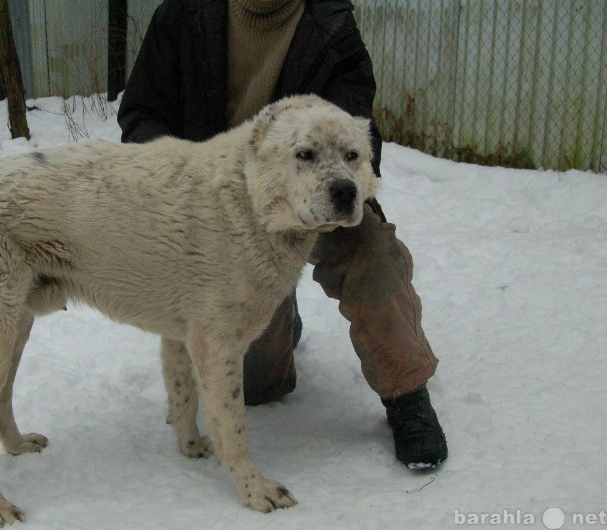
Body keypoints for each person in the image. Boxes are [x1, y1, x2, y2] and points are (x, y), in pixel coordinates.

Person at [117, 0, 447, 469]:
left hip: (310, 184)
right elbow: (142, 116)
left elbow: (356, 127)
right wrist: (183, 181)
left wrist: (341, 185)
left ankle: (407, 393)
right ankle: (281, 320)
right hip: (218, 203)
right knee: (259, 387)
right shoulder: (183, 14)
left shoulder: (329, 22)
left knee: (371, 254)